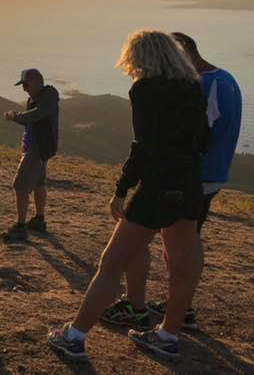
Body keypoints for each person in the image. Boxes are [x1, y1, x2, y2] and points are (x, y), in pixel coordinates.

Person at [48, 30, 208, 361]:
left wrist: (122, 189)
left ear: (140, 57)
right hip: (190, 188)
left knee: (110, 265)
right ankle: (167, 336)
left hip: (157, 190)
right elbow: (203, 140)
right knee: (182, 270)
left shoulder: (145, 89)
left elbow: (143, 146)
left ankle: (74, 337)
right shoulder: (193, 87)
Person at [101, 32, 242, 331]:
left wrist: (134, 180)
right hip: (205, 177)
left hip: (189, 177)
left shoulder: (201, 84)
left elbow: (196, 136)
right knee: (183, 245)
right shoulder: (225, 79)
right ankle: (179, 311)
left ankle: (143, 306)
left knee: (152, 242)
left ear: (186, 53)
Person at [3, 69, 59, 241]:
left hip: (37, 148)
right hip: (38, 147)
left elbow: (37, 114)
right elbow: (33, 120)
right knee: (38, 183)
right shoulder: (36, 98)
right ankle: (39, 220)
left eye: (26, 85)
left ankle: (20, 228)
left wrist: (16, 116)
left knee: (20, 186)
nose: (24, 89)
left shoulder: (47, 97)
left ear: (36, 81)